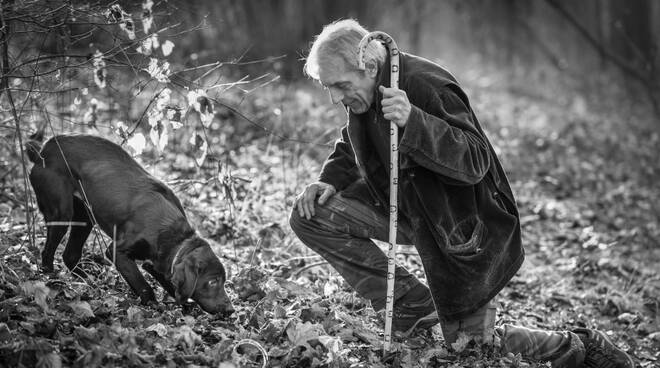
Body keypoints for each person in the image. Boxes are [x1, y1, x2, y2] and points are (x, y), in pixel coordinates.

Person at [289, 19, 634, 368]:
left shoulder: (427, 84)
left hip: (462, 229)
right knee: (312, 214)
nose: (335, 98)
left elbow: (474, 161)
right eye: (328, 87)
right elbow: (356, 140)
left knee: (470, 349)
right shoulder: (361, 90)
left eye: (340, 86)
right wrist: (330, 178)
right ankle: (413, 306)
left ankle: (577, 347)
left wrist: (414, 121)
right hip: (405, 209)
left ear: (371, 66)